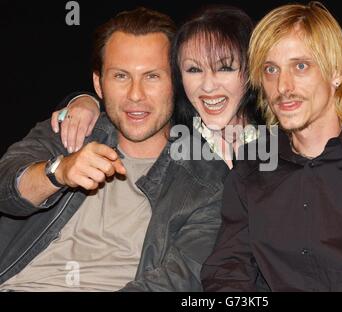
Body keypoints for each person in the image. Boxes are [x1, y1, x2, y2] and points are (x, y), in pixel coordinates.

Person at [200, 2, 342, 292]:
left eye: (301, 66)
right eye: (271, 69)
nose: (283, 86)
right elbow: (227, 271)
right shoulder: (252, 166)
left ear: (335, 72)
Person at [0, 7, 229, 292]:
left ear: (177, 83)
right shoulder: (72, 128)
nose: (136, 94)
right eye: (121, 76)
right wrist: (59, 170)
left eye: (152, 76)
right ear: (99, 83)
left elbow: (179, 279)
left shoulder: (207, 180)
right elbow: (6, 189)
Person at [53, 6, 342, 182]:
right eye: (194, 70)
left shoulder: (282, 132)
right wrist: (81, 100)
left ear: (252, 72)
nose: (208, 86)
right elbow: (126, 110)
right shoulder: (170, 136)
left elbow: (341, 125)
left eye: (226, 68)